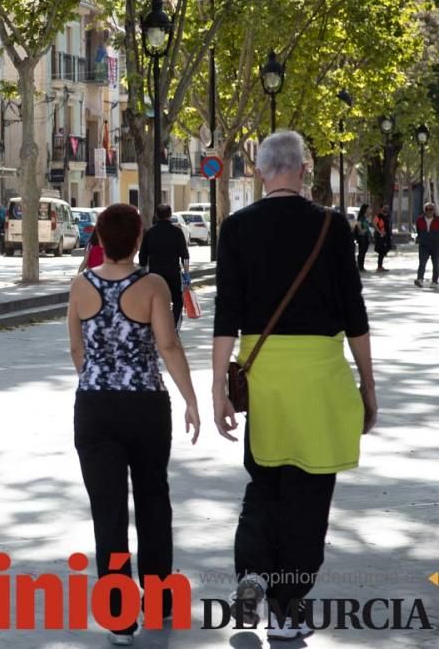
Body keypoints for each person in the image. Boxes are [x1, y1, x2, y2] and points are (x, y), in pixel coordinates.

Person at [212, 131, 377, 641]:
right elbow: (355, 315)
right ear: (304, 170)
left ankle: (254, 574)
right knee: (310, 493)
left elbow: (226, 318)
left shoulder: (236, 228)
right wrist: (368, 389)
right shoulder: (333, 227)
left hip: (265, 377)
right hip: (321, 378)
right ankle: (287, 609)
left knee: (264, 480)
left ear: (261, 171)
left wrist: (219, 388)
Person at [68, 204, 200, 646]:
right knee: (152, 499)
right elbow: (168, 344)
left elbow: (76, 352)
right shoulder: (153, 285)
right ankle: (160, 600)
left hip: (95, 407)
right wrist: (191, 399)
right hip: (145, 404)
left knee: (107, 512)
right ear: (139, 239)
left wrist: (99, 378)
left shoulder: (80, 285)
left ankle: (119, 619)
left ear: (100, 239)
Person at [138, 204, 190, 329]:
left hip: (155, 274)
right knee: (177, 300)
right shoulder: (177, 232)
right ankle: (173, 326)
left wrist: (143, 271)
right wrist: (187, 275)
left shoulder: (150, 233)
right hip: (173, 273)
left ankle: (158, 325)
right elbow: (185, 256)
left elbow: (142, 257)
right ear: (170, 215)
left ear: (156, 215)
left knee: (156, 301)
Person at [414, 202, 439, 288]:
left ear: (433, 210)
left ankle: (434, 281)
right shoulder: (419, 220)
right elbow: (418, 230)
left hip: (436, 245)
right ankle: (420, 279)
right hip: (424, 245)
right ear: (424, 210)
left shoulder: (438, 220)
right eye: (427, 209)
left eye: (431, 209)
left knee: (436, 264)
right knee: (422, 262)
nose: (429, 211)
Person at [354, 204, 373, 272]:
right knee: (361, 252)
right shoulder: (361, 217)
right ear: (365, 209)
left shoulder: (366, 218)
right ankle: (360, 266)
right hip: (362, 237)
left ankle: (362, 266)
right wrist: (362, 230)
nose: (369, 210)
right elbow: (359, 225)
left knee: (364, 252)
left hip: (366, 237)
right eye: (368, 209)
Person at [373, 204, 392, 272]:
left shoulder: (387, 216)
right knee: (381, 251)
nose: (386, 209)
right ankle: (379, 266)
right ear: (382, 208)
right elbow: (374, 224)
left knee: (385, 249)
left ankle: (380, 266)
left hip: (386, 236)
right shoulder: (378, 216)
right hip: (381, 236)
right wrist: (380, 231)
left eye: (387, 208)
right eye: (385, 208)